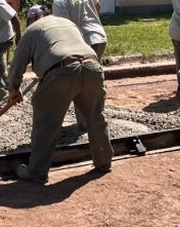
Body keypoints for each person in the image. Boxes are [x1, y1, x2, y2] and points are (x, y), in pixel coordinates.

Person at [6, 15, 113, 184]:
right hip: (93, 66)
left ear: (31, 20)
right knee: (96, 118)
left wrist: (13, 89)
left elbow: (17, 65)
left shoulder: (31, 31)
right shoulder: (69, 23)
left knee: (46, 124)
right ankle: (104, 161)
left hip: (62, 71)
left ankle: (37, 172)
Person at [34, 0, 107, 131]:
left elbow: (64, 31)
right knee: (90, 81)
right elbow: (98, 6)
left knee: (80, 84)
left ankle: (85, 125)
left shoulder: (60, 1)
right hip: (99, 37)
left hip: (83, 44)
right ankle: (93, 121)